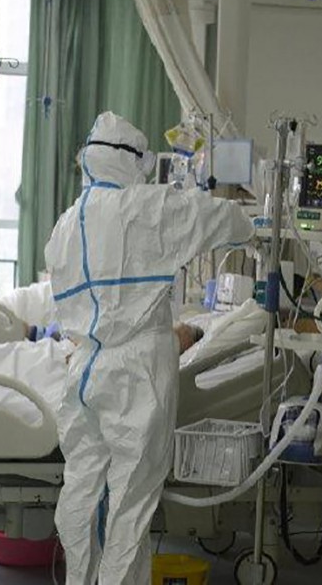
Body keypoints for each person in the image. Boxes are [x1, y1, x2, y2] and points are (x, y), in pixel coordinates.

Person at [45, 111, 255, 584]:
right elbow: (220, 219)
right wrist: (255, 222)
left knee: (80, 489)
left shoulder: (65, 225)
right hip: (136, 370)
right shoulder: (143, 207)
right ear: (131, 161)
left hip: (84, 368)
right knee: (130, 502)